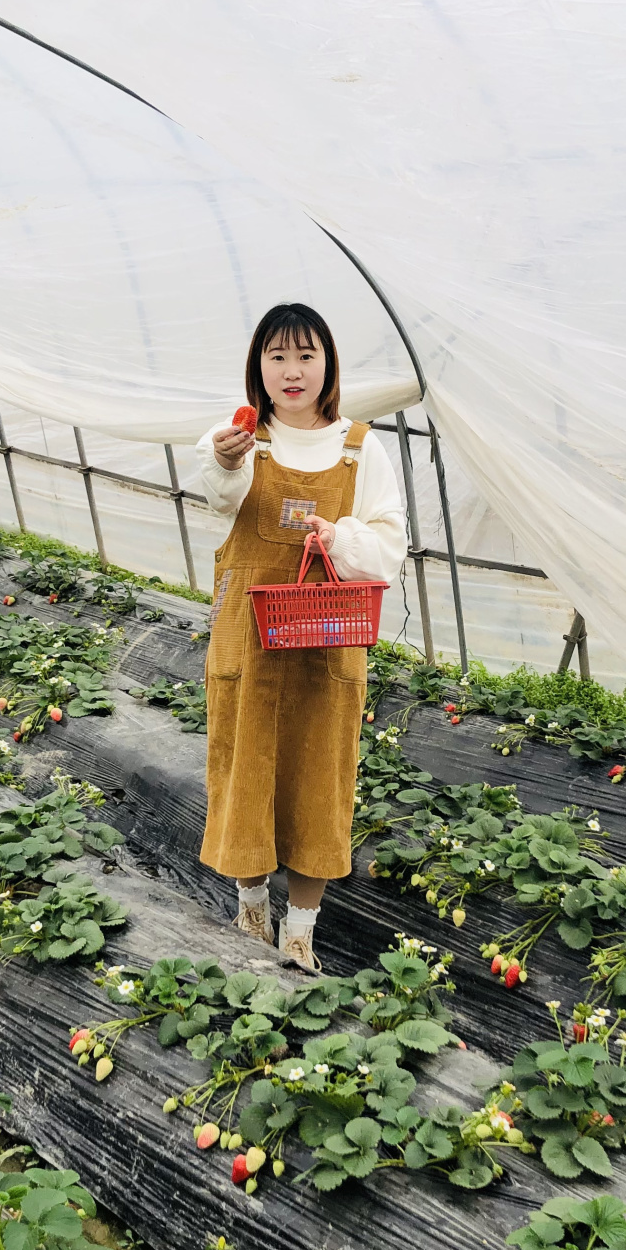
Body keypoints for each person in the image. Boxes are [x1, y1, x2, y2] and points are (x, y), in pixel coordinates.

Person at [193, 302, 407, 968]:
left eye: (305, 356)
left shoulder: (360, 447)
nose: (292, 371)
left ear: (327, 365)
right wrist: (227, 466)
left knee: (320, 775)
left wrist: (339, 537)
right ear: (258, 366)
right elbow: (219, 504)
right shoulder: (236, 439)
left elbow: (390, 548)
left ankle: (300, 937)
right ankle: (251, 911)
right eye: (277, 356)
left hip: (326, 642)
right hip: (249, 642)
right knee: (246, 769)